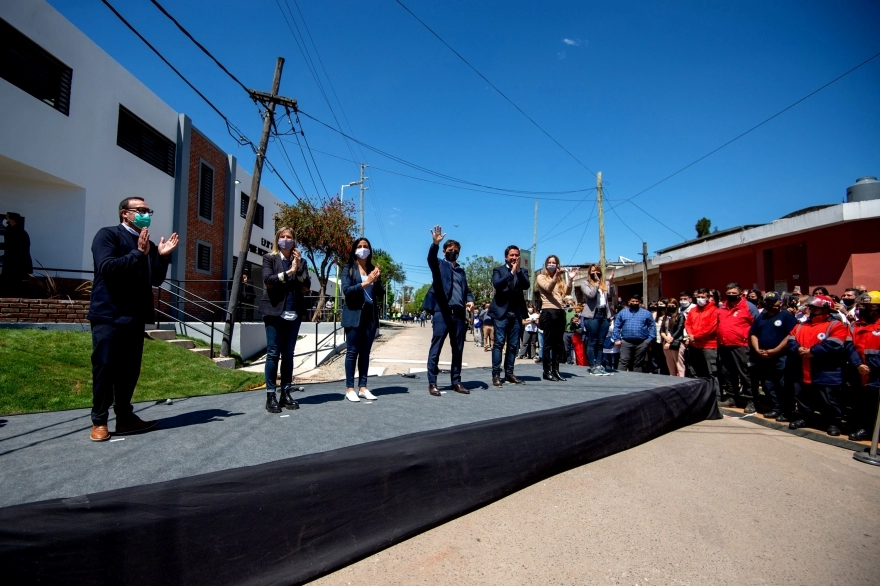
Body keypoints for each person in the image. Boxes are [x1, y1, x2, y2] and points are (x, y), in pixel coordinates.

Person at [86, 197, 178, 441]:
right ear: (125, 213)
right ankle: (99, 421)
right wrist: (138, 253)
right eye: (141, 210)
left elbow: (155, 280)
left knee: (129, 371)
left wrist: (162, 257)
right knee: (105, 367)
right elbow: (107, 267)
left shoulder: (145, 243)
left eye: (148, 210)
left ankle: (125, 418)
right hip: (109, 314)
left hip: (135, 317)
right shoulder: (108, 235)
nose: (146, 214)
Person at [260, 227, 309, 413]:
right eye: (283, 237)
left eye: (289, 237)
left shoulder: (301, 261)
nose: (286, 239)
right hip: (274, 313)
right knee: (273, 353)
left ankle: (285, 392)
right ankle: (270, 394)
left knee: (288, 354)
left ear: (294, 241)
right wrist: (289, 272)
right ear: (277, 239)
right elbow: (268, 280)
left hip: (293, 312)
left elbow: (306, 285)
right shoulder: (269, 258)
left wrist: (297, 268)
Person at [787, 295, 850, 436]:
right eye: (811, 307)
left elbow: (835, 344)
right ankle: (805, 417)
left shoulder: (836, 325)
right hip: (803, 366)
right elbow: (791, 339)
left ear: (826, 309)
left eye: (815, 307)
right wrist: (797, 349)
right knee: (802, 395)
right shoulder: (801, 324)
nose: (811, 310)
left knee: (829, 398)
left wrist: (813, 352)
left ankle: (834, 422)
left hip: (826, 369)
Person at [425, 225, 474, 396]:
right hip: (442, 313)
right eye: (450, 249)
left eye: (456, 250)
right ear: (445, 251)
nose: (453, 252)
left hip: (459, 316)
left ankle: (456, 382)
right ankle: (433, 383)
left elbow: (467, 290)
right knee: (436, 347)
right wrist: (435, 244)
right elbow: (431, 258)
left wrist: (470, 301)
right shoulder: (439, 264)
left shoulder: (461, 271)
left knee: (458, 349)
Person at [341, 237, 384, 403]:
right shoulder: (348, 269)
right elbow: (347, 290)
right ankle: (350, 388)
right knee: (352, 352)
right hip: (354, 314)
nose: (363, 249)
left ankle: (363, 387)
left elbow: (379, 293)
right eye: (359, 246)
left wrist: (377, 279)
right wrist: (367, 282)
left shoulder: (373, 269)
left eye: (365, 246)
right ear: (354, 249)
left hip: (370, 315)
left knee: (365, 353)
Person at [749, 291, 797, 421]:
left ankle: (786, 411)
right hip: (763, 356)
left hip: (781, 356)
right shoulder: (761, 316)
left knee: (783, 384)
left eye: (773, 302)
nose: (770, 305)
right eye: (767, 302)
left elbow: (791, 335)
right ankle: (776, 408)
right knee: (767, 383)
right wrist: (758, 349)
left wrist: (775, 350)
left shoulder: (786, 316)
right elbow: (753, 333)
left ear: (780, 303)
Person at [488, 245, 531, 387]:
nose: (514, 258)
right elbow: (497, 284)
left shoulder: (523, 271)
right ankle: (496, 374)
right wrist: (511, 273)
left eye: (516, 255)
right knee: (499, 343)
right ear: (506, 256)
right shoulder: (498, 270)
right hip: (502, 313)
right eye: (511, 255)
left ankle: (509, 373)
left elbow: (526, 285)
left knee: (513, 345)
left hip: (517, 313)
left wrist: (517, 271)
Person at [717, 282, 759, 411]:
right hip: (725, 345)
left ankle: (751, 400)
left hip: (742, 346)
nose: (731, 296)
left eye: (734, 294)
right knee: (729, 373)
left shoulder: (749, 307)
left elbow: (757, 326)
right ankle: (732, 398)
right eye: (728, 293)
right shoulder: (723, 307)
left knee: (746, 374)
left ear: (741, 294)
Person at [535, 256, 575, 381]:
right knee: (548, 343)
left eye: (554, 262)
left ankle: (556, 370)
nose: (552, 264)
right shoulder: (541, 277)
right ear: (546, 264)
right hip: (548, 311)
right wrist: (555, 276)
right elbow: (548, 288)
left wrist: (570, 280)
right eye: (550, 262)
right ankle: (546, 371)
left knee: (558, 343)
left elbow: (566, 293)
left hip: (559, 311)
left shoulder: (560, 279)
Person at [848, 291, 880, 441]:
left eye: (867, 307)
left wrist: (871, 366)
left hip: (876, 373)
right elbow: (849, 346)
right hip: (859, 371)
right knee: (863, 404)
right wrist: (858, 364)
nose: (862, 310)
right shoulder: (855, 325)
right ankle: (865, 429)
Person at [684, 288, 720, 402]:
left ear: (708, 297)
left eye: (703, 297)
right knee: (695, 371)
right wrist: (690, 336)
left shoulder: (714, 310)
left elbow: (711, 327)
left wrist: (696, 336)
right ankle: (699, 394)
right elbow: (688, 323)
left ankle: (716, 396)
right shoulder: (693, 310)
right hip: (694, 345)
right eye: (698, 297)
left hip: (709, 345)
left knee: (712, 372)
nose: (700, 299)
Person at [580, 264, 616, 375]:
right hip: (592, 316)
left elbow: (613, 294)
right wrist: (595, 284)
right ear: (590, 273)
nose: (595, 273)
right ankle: (592, 366)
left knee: (601, 342)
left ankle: (600, 365)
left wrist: (611, 282)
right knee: (592, 341)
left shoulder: (604, 284)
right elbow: (591, 295)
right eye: (593, 271)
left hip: (604, 315)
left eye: (597, 271)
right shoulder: (585, 283)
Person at [611, 293, 656, 372]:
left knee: (638, 363)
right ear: (629, 302)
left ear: (639, 302)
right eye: (633, 301)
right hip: (626, 342)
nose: (635, 303)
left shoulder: (646, 313)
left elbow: (652, 326)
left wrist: (649, 340)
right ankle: (620, 380)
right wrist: (617, 339)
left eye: (637, 301)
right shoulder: (622, 313)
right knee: (623, 361)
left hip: (641, 342)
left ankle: (636, 381)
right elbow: (617, 326)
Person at [0, 211, 33, 298]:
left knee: (12, 288)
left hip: (15, 265)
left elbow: (12, 248)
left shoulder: (14, 232)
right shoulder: (19, 231)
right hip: (19, 265)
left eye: (7, 219)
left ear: (13, 221)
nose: (5, 221)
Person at [660, 298, 685, 376]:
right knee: (670, 365)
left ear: (676, 306)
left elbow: (679, 329)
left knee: (679, 365)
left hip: (676, 342)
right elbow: (662, 330)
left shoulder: (680, 315)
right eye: (669, 305)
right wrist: (666, 338)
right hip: (666, 342)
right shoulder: (665, 317)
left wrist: (670, 340)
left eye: (673, 305)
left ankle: (682, 382)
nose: (671, 307)